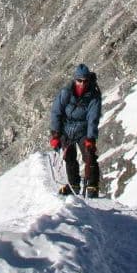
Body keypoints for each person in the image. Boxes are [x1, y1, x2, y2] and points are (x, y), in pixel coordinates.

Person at [49, 63, 102, 198]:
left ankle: (92, 186)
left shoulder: (93, 96)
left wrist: (91, 138)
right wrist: (55, 134)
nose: (82, 84)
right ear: (75, 80)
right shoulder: (66, 92)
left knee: (89, 156)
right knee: (69, 157)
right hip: (66, 129)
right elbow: (56, 112)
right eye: (79, 81)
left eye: (85, 81)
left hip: (83, 131)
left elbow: (93, 118)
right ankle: (74, 185)